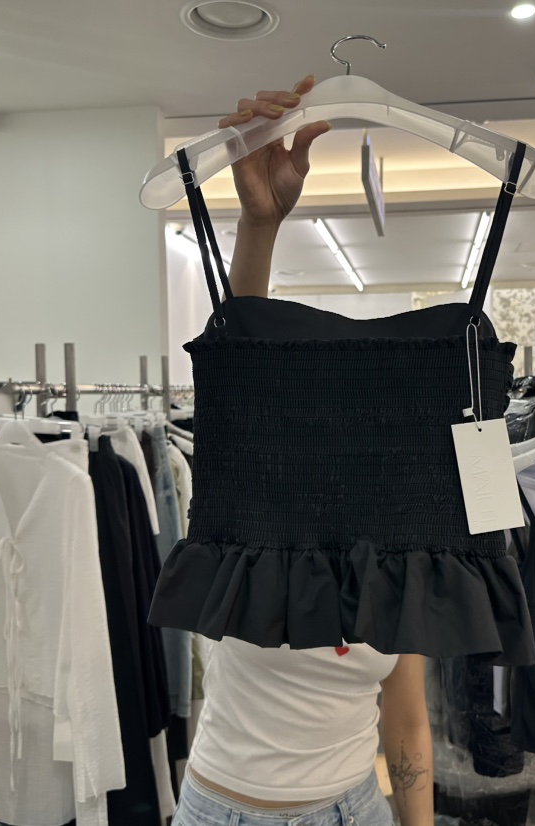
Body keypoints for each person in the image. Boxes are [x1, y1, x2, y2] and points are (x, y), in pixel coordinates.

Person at [170, 76, 434, 826]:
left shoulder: (404, 546)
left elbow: (407, 723)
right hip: (222, 809)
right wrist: (260, 225)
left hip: (354, 807)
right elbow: (239, 379)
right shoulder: (246, 514)